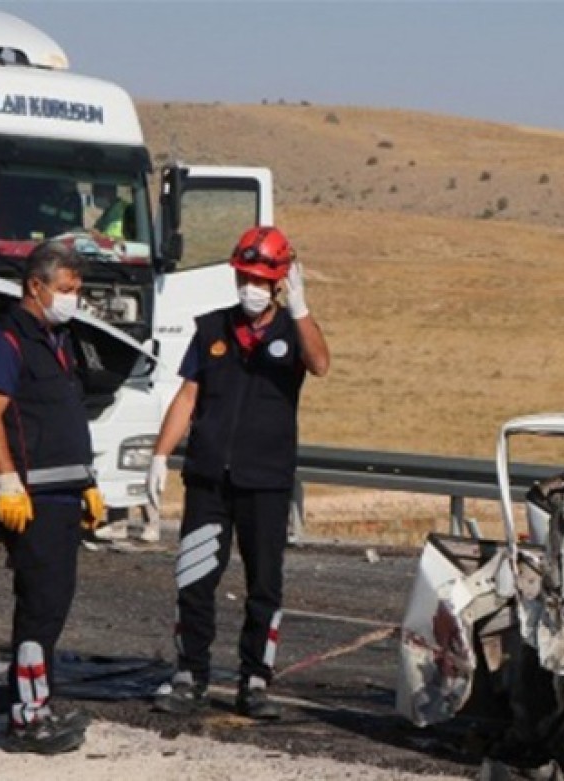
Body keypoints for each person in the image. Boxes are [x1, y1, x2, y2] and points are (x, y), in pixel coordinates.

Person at [148, 226, 329, 719]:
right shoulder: (211, 330)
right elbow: (188, 395)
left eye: (259, 278)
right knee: (196, 577)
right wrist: (161, 455)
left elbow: (321, 363)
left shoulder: (294, 332)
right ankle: (190, 674)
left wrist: (302, 310)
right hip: (209, 480)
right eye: (243, 276)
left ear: (278, 282)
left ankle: (254, 679)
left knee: (264, 584)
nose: (249, 287)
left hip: (266, 483)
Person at [0, 241, 105, 755]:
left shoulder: (59, 340)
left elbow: (64, 417)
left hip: (64, 496)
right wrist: (6, 481)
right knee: (39, 611)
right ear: (36, 286)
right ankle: (26, 718)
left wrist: (88, 482)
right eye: (67, 290)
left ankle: (39, 703)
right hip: (32, 499)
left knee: (54, 607)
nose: (74, 299)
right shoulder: (5, 344)